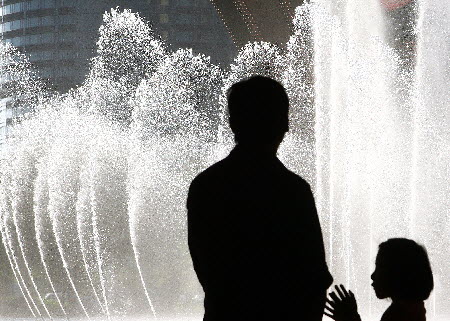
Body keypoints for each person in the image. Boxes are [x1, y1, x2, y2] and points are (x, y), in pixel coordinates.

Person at [187, 76, 333, 321]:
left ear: (233, 123)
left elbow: (207, 268)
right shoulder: (293, 190)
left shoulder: (206, 185)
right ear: (283, 124)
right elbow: (314, 275)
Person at [325, 238, 434, 321]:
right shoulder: (412, 308)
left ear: (396, 274)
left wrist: (351, 318)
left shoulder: (400, 315)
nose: (372, 276)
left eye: (379, 268)